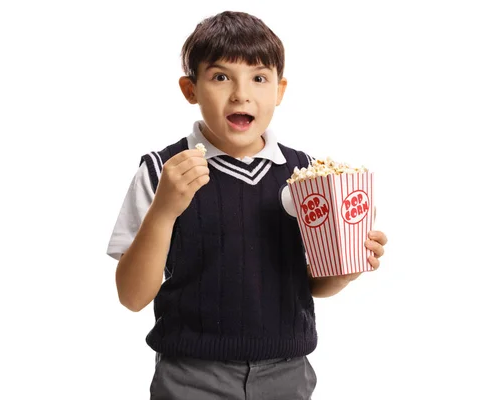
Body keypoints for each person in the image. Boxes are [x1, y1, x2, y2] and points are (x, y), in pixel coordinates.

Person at [106, 10, 388, 400]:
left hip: (287, 372)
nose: (241, 93)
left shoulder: (305, 173)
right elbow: (132, 296)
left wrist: (347, 267)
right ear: (190, 90)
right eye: (221, 77)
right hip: (191, 375)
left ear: (279, 90)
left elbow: (309, 285)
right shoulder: (162, 171)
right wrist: (165, 209)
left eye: (259, 78)